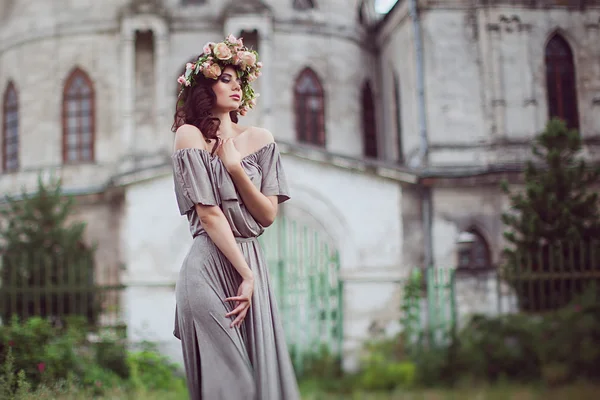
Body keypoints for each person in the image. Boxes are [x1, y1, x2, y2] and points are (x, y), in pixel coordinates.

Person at [170, 34, 301, 400]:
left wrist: (236, 169)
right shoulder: (189, 136)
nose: (235, 87)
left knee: (257, 381)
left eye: (238, 80)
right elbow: (210, 215)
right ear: (203, 88)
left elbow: (268, 214)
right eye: (224, 78)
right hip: (210, 266)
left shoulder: (261, 138)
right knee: (231, 383)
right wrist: (246, 274)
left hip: (249, 259)